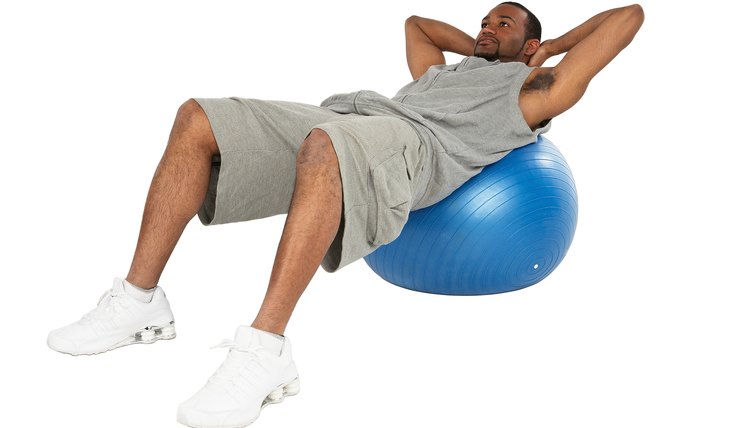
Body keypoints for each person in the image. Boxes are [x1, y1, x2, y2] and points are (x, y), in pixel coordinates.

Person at [47, 3, 644, 427]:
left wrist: (542, 48)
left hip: (416, 149)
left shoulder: (533, 89)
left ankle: (265, 352)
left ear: (534, 46)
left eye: (503, 22)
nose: (487, 27)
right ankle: (139, 299)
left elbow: (629, 17)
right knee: (198, 117)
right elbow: (415, 23)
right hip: (357, 118)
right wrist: (483, 44)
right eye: (484, 19)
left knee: (326, 147)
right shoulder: (440, 74)